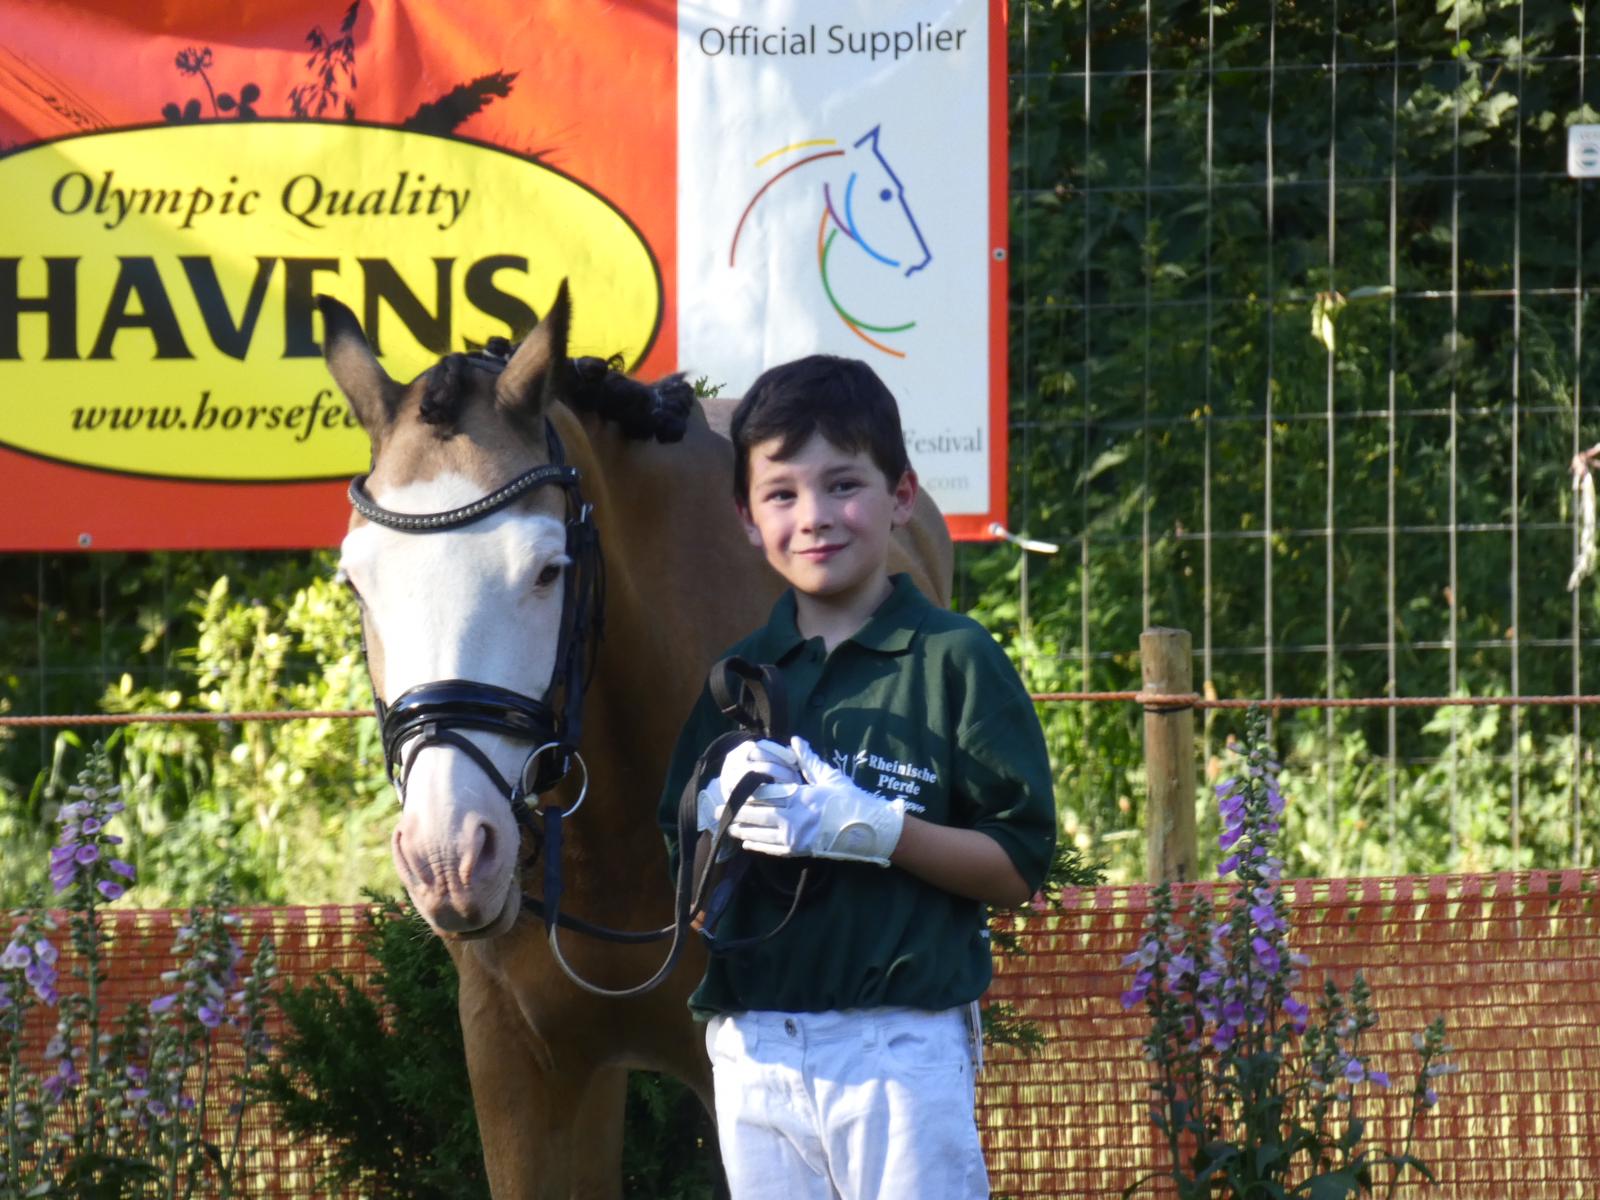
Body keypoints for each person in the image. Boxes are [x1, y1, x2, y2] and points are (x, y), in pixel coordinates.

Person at [657, 354, 1057, 1200]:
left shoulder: (955, 659)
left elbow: (1018, 868)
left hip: (899, 1051)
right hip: (754, 1049)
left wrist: (881, 830)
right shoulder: (734, 682)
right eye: (781, 495)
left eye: (844, 485)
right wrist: (715, 833)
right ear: (744, 516)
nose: (814, 518)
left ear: (901, 497)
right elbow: (683, 892)